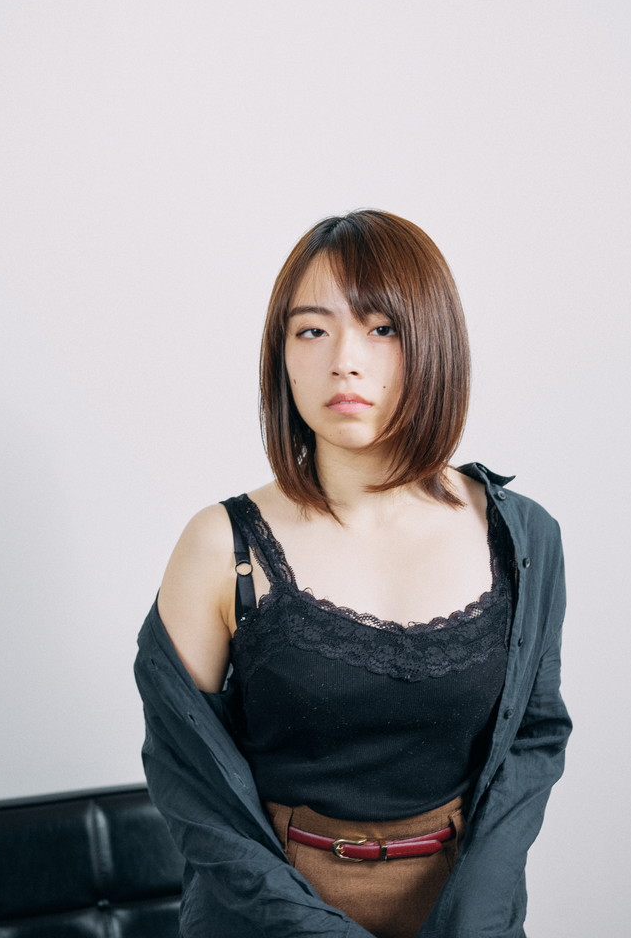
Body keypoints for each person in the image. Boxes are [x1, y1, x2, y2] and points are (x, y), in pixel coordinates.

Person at [134, 210, 570, 938]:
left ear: (434, 343)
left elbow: (533, 740)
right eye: (312, 330)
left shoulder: (523, 537)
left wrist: (475, 923)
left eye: (382, 328)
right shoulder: (221, 545)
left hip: (463, 913)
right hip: (266, 918)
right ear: (282, 356)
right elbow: (194, 789)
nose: (344, 360)